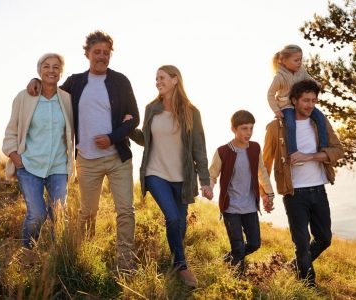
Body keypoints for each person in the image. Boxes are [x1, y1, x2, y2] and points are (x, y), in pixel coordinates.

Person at [27, 30, 139, 271]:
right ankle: (86, 256)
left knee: (125, 211)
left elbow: (134, 119)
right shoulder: (75, 82)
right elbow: (51, 91)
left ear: (110, 55)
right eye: (96, 52)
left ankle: (125, 260)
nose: (101, 56)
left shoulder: (121, 81)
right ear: (87, 53)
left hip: (117, 158)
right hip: (87, 160)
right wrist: (35, 82)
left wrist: (112, 137)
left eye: (106, 53)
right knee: (87, 212)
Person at [130, 65, 212, 288]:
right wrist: (128, 128)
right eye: (156, 78)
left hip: (183, 178)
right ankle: (183, 267)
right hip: (155, 173)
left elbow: (199, 148)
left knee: (180, 224)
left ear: (175, 80)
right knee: (173, 218)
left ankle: (175, 261)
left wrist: (205, 181)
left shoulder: (191, 112)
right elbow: (145, 138)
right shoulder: (151, 109)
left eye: (162, 77)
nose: (158, 81)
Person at [263, 80, 344, 287]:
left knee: (324, 238)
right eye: (306, 100)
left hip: (319, 189)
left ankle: (294, 266)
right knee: (301, 244)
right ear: (294, 100)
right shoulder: (276, 127)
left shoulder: (319, 122)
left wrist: (310, 157)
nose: (310, 105)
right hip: (294, 193)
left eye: (314, 101)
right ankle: (308, 286)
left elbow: (338, 151)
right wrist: (265, 193)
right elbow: (265, 163)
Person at [2, 53, 74, 250]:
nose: (51, 70)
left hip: (58, 166)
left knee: (58, 215)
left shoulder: (67, 99)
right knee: (37, 214)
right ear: (39, 70)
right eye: (46, 66)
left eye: (56, 67)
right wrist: (16, 159)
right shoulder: (24, 97)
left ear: (61, 72)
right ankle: (28, 251)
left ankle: (56, 258)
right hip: (29, 165)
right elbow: (11, 131)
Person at [208, 110, 274, 274]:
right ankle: (237, 281)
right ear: (234, 129)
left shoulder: (255, 148)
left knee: (254, 243)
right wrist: (209, 187)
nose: (249, 133)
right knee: (237, 245)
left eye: (251, 128)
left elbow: (262, 172)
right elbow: (212, 174)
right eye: (244, 128)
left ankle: (227, 259)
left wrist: (269, 194)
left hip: (250, 206)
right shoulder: (223, 151)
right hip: (231, 208)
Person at [267, 44, 328, 163]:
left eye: (300, 59)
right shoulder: (279, 77)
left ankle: (323, 147)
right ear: (284, 61)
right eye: (296, 60)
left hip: (300, 104)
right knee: (290, 123)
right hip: (287, 105)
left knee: (320, 117)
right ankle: (293, 152)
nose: (299, 62)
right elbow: (270, 94)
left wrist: (317, 84)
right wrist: (276, 110)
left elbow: (309, 79)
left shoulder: (301, 70)